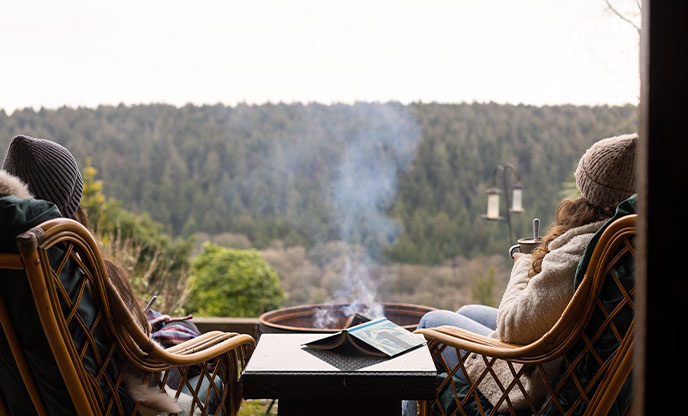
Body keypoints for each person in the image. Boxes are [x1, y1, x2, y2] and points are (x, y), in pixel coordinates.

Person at [403, 133, 637, 415]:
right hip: (567, 345)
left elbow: (512, 325)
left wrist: (524, 264)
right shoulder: (629, 241)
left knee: (430, 324)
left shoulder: (582, 248)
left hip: (537, 373)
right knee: (468, 310)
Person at [1, 134, 213, 415]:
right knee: (211, 376)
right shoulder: (75, 274)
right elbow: (139, 360)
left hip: (23, 403)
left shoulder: (14, 269)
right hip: (112, 404)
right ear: (70, 204)